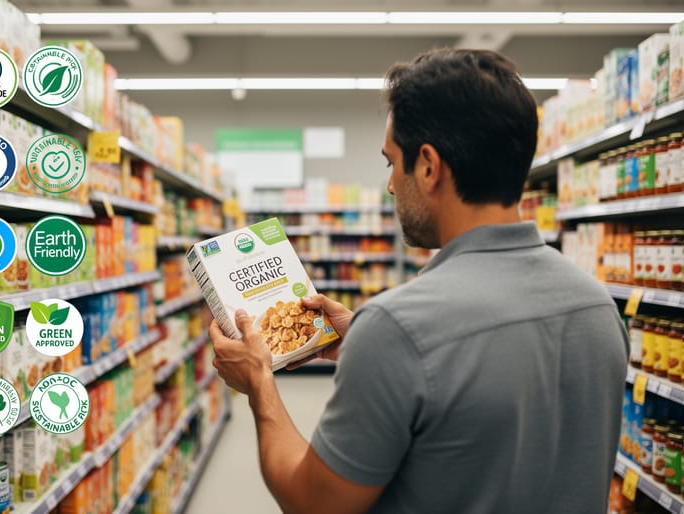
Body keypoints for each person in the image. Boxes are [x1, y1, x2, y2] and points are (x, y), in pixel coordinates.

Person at [209, 48, 628, 514]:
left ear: (428, 166)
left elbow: (314, 503)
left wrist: (259, 381)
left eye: (391, 162)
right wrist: (370, 346)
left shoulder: (397, 329)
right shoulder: (598, 308)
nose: (390, 185)